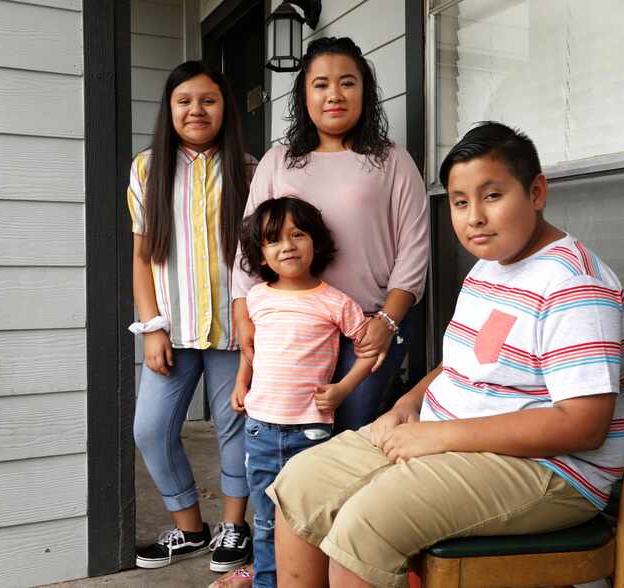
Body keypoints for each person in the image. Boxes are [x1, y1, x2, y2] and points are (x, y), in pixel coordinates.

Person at [267, 122, 624, 588]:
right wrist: (409, 404)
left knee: (367, 523)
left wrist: (440, 438)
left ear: (537, 191)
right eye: (460, 202)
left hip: (550, 470)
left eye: (492, 196)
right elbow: (467, 363)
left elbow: (582, 424)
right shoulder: (490, 270)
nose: (473, 217)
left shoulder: (573, 285)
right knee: (301, 482)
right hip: (452, 438)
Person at [231, 36, 430, 433]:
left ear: (365, 91)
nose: (334, 94)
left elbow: (414, 247)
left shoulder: (392, 160)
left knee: (348, 429)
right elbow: (250, 246)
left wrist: (388, 322)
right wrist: (243, 314)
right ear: (305, 94)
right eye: (321, 84)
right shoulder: (278, 162)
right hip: (292, 327)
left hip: (369, 323)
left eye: (347, 82)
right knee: (292, 431)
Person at [127, 61, 256, 573]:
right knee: (151, 429)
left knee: (235, 428)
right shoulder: (146, 168)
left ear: (224, 109)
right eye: (185, 100)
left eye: (208, 100)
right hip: (173, 331)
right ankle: (191, 531)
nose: (196, 110)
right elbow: (142, 258)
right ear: (170, 108)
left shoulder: (249, 170)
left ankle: (234, 528)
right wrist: (151, 327)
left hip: (233, 327)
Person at [227, 196, 378, 588]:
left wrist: (343, 389)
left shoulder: (335, 301)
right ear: (261, 256)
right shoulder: (258, 297)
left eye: (298, 235)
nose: (288, 246)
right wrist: (242, 380)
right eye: (274, 240)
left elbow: (370, 352)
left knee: (309, 519)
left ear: (316, 243)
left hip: (310, 432)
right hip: (260, 427)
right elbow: (252, 348)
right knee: (263, 522)